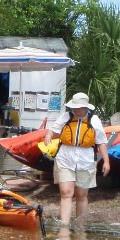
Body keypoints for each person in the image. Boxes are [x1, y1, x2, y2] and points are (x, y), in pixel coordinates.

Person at [44, 92, 110, 226]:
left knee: (81, 195)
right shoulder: (66, 117)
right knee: (66, 192)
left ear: (86, 107)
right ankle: (64, 226)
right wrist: (49, 134)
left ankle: (80, 227)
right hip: (65, 158)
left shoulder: (94, 120)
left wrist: (106, 161)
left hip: (85, 161)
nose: (76, 110)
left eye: (79, 107)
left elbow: (101, 142)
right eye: (74, 107)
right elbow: (54, 129)